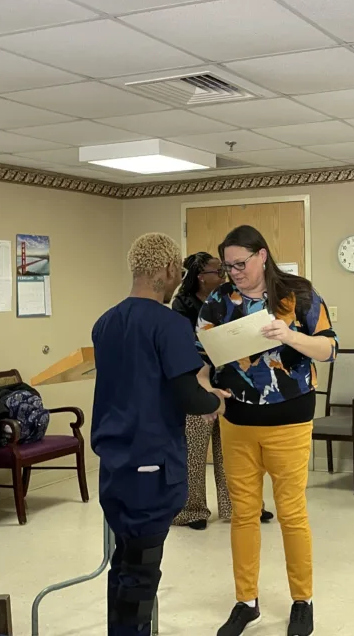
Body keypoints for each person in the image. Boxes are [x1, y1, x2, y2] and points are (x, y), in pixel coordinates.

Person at [199, 226, 337, 636]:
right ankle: (246, 601)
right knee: (243, 514)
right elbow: (200, 357)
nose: (234, 272)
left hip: (290, 418)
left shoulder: (301, 294)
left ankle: (302, 600)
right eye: (228, 266)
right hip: (237, 422)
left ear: (262, 256)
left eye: (241, 264)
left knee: (291, 513)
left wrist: (290, 335)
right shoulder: (220, 301)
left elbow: (329, 349)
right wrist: (206, 386)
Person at [91, 233, 230, 636]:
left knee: (123, 565)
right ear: (169, 270)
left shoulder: (105, 322)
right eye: (179, 273)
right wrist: (215, 402)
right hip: (151, 464)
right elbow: (187, 393)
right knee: (141, 575)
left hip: (115, 464)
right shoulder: (169, 324)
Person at [170, 252, 272, 530]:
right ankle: (193, 510)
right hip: (196, 382)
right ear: (202, 277)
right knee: (194, 451)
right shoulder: (181, 306)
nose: (225, 275)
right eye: (219, 271)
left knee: (231, 451)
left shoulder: (231, 299)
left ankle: (236, 506)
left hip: (228, 382)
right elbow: (185, 347)